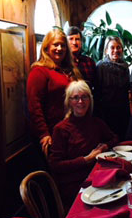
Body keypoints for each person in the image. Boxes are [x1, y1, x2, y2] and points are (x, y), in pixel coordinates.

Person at [49, 80, 118, 209]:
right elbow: (55, 165)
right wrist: (86, 160)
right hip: (74, 185)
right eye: (76, 97)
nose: (81, 101)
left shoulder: (96, 123)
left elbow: (114, 138)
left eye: (84, 97)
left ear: (90, 100)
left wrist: (104, 146)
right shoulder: (61, 129)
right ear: (69, 102)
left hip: (98, 178)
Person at [27, 28, 81, 156]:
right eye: (55, 44)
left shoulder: (68, 70)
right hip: (51, 135)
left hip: (70, 132)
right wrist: (43, 134)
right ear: (46, 47)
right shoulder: (39, 71)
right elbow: (34, 106)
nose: (59, 48)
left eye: (63, 45)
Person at [95, 36, 130, 140]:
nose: (116, 50)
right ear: (106, 50)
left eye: (118, 47)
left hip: (122, 111)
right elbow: (97, 91)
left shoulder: (125, 66)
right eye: (112, 47)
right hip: (106, 112)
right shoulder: (100, 66)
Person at [66, 26, 98, 91]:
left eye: (77, 39)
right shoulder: (62, 62)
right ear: (66, 42)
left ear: (81, 42)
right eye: (71, 39)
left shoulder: (89, 62)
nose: (74, 42)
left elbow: (96, 86)